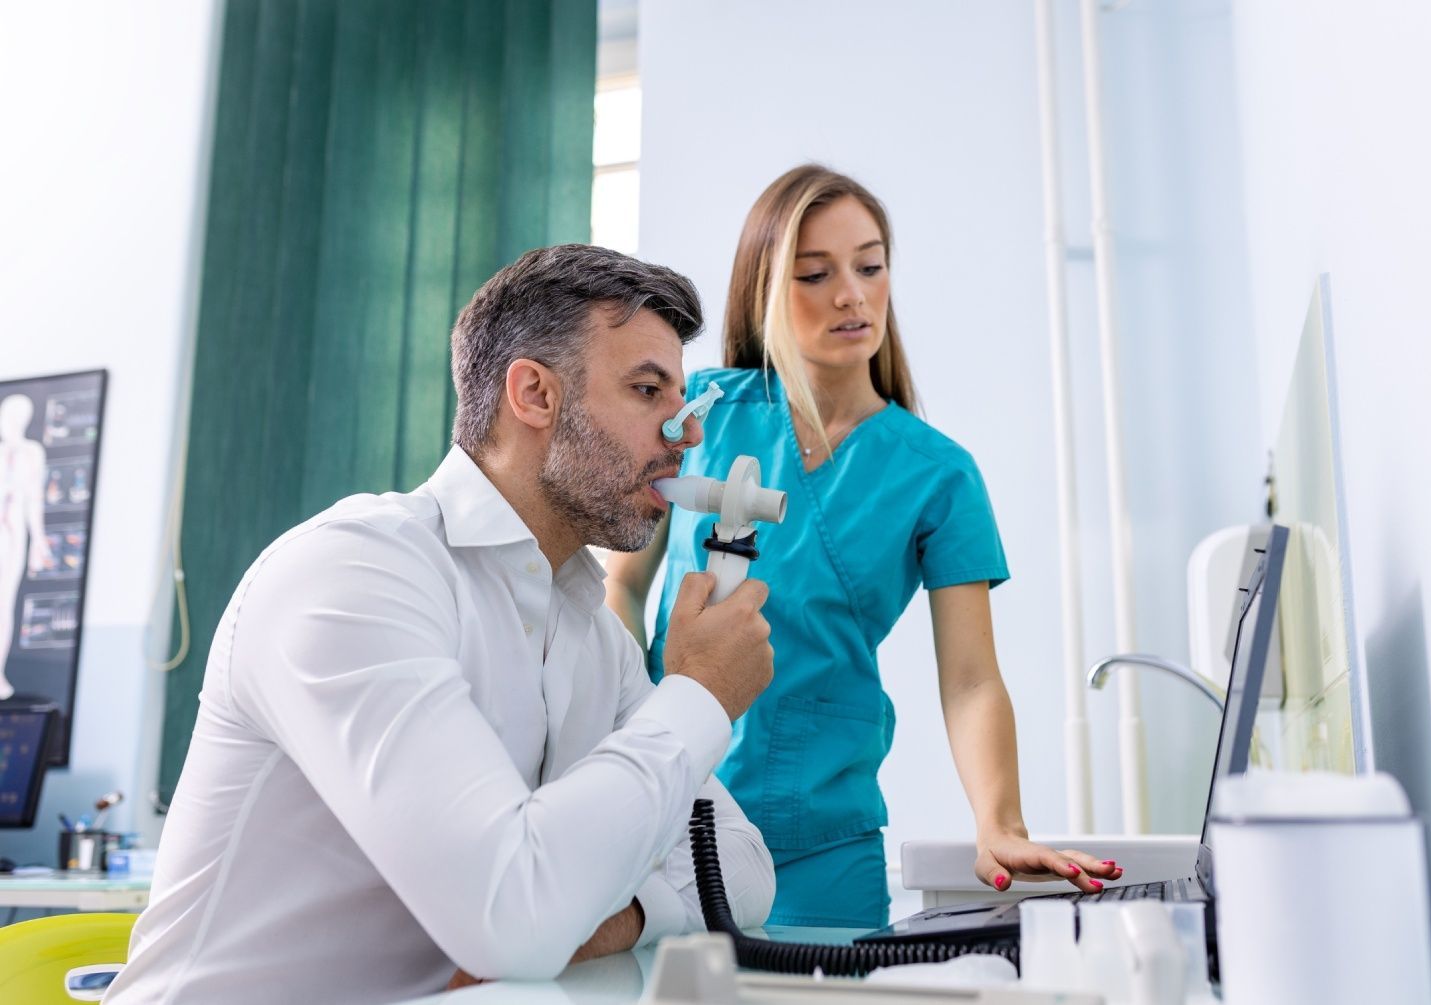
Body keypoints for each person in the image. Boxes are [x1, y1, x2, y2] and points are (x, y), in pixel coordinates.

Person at [106, 245, 776, 1005]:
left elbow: (744, 872)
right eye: (647, 390)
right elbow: (511, 916)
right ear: (534, 394)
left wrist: (604, 923)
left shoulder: (595, 637)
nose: (685, 433)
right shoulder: (355, 574)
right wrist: (697, 694)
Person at [606, 166, 1123, 930]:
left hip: (822, 849)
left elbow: (973, 679)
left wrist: (1001, 822)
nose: (852, 293)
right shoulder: (701, 415)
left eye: (871, 266)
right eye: (816, 274)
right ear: (768, 288)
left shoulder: (938, 476)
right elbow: (620, 589)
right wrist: (612, 742)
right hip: (664, 824)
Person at [0, 393, 52, 701]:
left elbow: (35, 500)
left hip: (14, 530)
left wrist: (39, 542)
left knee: (3, 603)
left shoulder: (32, 452)